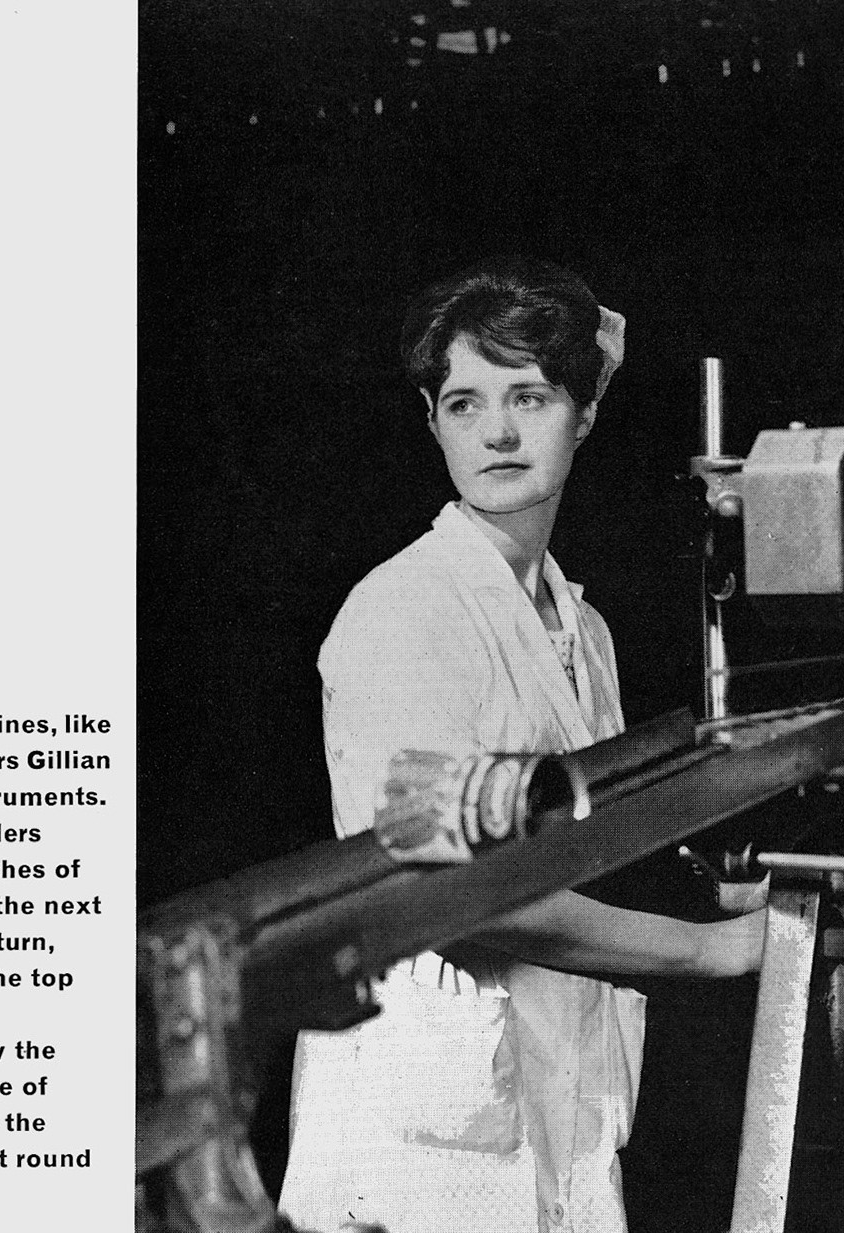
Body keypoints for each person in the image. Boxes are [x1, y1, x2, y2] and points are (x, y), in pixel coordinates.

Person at [277, 258, 767, 1233]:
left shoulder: (580, 628)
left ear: (584, 414)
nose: (497, 432)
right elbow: (453, 894)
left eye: (530, 397)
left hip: (561, 1112)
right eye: (465, 402)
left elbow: (590, 846)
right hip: (425, 1145)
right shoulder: (402, 614)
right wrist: (711, 952)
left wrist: (749, 892)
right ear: (433, 421)